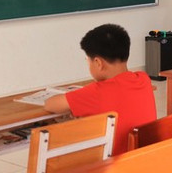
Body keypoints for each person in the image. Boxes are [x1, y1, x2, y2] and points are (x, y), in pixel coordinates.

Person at [43, 23, 156, 155]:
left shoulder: (98, 91)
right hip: (145, 160)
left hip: (113, 167)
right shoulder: (143, 79)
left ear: (98, 63)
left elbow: (50, 105)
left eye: (88, 60)